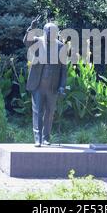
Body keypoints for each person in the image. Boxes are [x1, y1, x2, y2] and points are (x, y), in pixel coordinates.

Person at [23, 16, 67, 147]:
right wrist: (32, 28)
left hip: (52, 87)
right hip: (38, 84)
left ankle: (46, 137)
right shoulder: (38, 41)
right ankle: (38, 139)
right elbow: (26, 41)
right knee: (37, 112)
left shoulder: (61, 47)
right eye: (48, 33)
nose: (50, 35)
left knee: (49, 113)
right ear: (44, 32)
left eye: (53, 33)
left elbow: (64, 70)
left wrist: (62, 86)